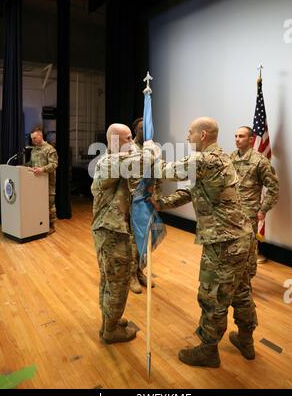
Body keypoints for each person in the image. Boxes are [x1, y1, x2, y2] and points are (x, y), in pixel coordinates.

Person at [149, 117, 257, 367]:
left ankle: (208, 350)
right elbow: (191, 191)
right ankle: (245, 339)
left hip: (224, 243)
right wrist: (163, 204)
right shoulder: (222, 158)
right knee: (241, 292)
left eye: (190, 133)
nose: (187, 137)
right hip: (242, 239)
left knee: (213, 296)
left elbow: (165, 171)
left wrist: (152, 152)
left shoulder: (204, 159)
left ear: (204, 134)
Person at [91, 123, 155, 344]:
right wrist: (150, 149)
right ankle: (111, 331)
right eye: (128, 138)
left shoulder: (117, 160)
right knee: (117, 282)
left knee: (109, 280)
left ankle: (109, 322)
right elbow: (141, 161)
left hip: (114, 229)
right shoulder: (109, 162)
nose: (132, 141)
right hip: (111, 232)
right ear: (116, 141)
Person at [231, 126, 279, 268]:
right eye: (236, 136)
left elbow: (273, 188)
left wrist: (263, 209)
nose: (237, 139)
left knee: (248, 251)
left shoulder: (260, 161)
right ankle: (235, 282)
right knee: (232, 249)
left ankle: (246, 285)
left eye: (241, 136)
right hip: (230, 211)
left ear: (251, 139)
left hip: (248, 213)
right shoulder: (231, 157)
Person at [129, 117, 156, 293]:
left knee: (145, 238)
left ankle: (140, 271)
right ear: (135, 130)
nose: (144, 131)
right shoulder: (128, 149)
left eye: (147, 128)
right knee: (133, 240)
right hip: (134, 201)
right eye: (141, 128)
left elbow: (157, 173)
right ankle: (131, 275)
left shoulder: (152, 149)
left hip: (148, 199)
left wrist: (156, 196)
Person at [28, 127, 58, 235]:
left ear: (40, 136)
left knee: (49, 205)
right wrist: (27, 168)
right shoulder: (33, 150)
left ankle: (51, 226)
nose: (33, 140)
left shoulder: (50, 149)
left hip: (48, 182)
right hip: (36, 183)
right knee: (39, 205)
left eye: (35, 138)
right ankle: (40, 224)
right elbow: (31, 164)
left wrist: (42, 169)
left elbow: (54, 164)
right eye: (32, 139)